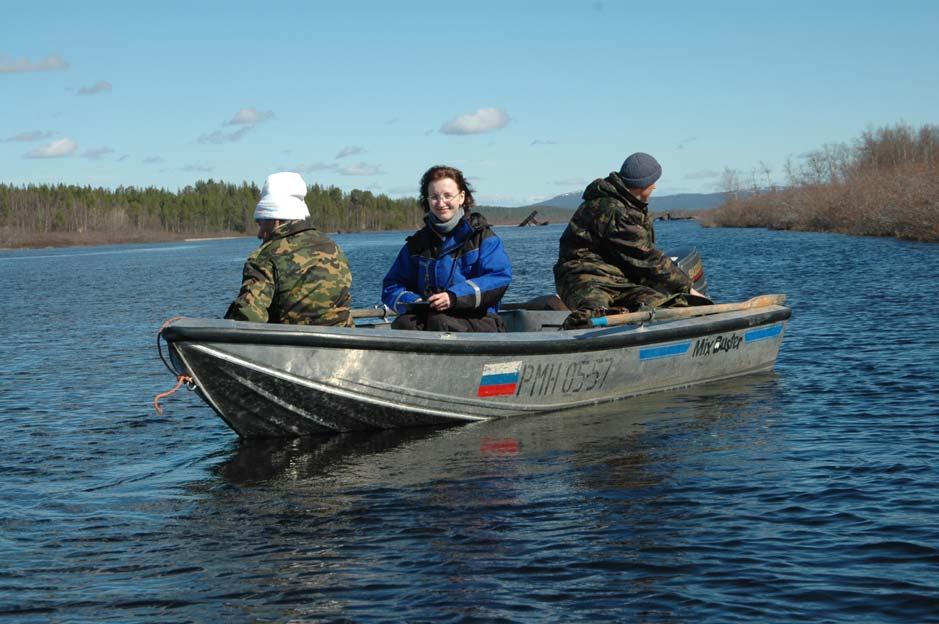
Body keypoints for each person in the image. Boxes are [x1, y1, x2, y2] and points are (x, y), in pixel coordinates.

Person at [553, 152, 707, 329]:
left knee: (665, 305)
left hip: (618, 280)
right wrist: (686, 286)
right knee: (594, 313)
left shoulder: (628, 205)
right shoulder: (615, 211)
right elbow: (646, 258)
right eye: (652, 182)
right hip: (582, 276)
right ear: (642, 185)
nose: (655, 187)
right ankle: (564, 342)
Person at [382, 165, 512, 332]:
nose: (441, 203)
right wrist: (414, 301)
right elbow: (392, 285)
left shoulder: (483, 238)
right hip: (431, 316)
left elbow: (499, 277)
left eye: (447, 196)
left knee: (440, 322)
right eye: (434, 197)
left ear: (462, 197)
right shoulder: (416, 244)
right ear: (427, 201)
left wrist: (454, 296)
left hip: (480, 319)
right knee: (404, 323)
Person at [224, 171, 353, 326]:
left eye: (260, 223)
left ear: (275, 221)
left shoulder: (265, 257)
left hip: (291, 347)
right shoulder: (333, 247)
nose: (259, 234)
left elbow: (248, 320)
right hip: (342, 345)